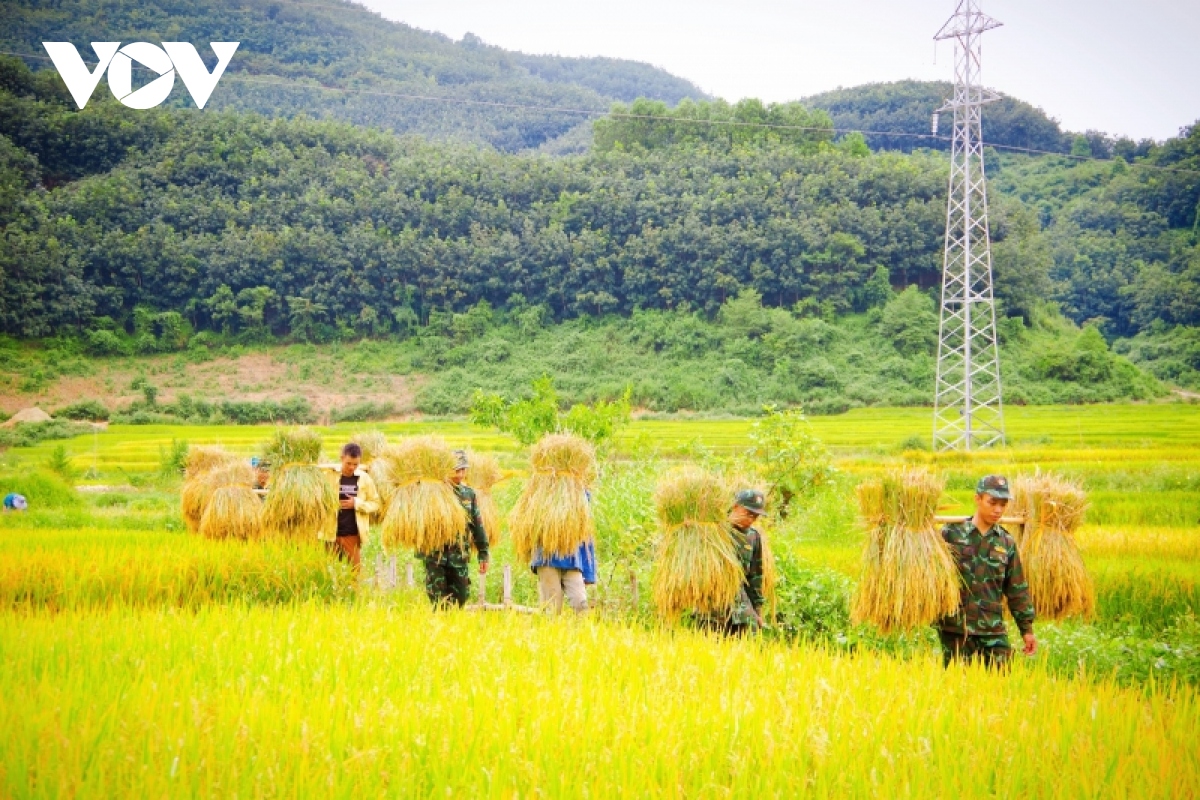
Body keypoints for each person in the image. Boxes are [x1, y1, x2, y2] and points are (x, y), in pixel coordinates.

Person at [936, 474, 1037, 668]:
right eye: (992, 502)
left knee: (1001, 684)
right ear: (978, 499)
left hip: (992, 629)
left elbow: (1017, 589)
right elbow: (930, 576)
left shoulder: (1006, 542)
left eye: (1003, 504)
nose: (998, 510)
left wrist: (1027, 630)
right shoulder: (950, 534)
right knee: (957, 688)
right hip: (956, 629)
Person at [422, 450, 489, 607]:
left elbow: (477, 525)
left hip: (459, 556)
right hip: (435, 555)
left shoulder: (468, 494)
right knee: (438, 601)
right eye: (456, 470)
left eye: (463, 470)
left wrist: (483, 553)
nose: (459, 475)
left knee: (461, 596)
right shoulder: (433, 492)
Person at [696, 488, 766, 635]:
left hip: (742, 609)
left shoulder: (754, 537)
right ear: (735, 507)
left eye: (755, 517)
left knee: (746, 650)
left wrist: (758, 611)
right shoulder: (713, 530)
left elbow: (755, 576)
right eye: (748, 514)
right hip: (713, 606)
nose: (751, 520)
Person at [530, 490, 597, 613]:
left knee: (580, 604)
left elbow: (587, 538)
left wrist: (589, 573)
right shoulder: (544, 493)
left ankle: (582, 632)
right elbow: (531, 525)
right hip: (547, 560)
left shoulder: (580, 495)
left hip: (573, 562)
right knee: (553, 607)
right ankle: (551, 631)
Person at [319, 443, 381, 570]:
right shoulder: (328, 475)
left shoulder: (364, 478)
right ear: (342, 458)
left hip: (351, 535)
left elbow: (376, 503)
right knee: (327, 572)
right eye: (348, 463)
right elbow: (317, 499)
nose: (352, 467)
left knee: (354, 574)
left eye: (355, 464)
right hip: (329, 534)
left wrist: (357, 504)